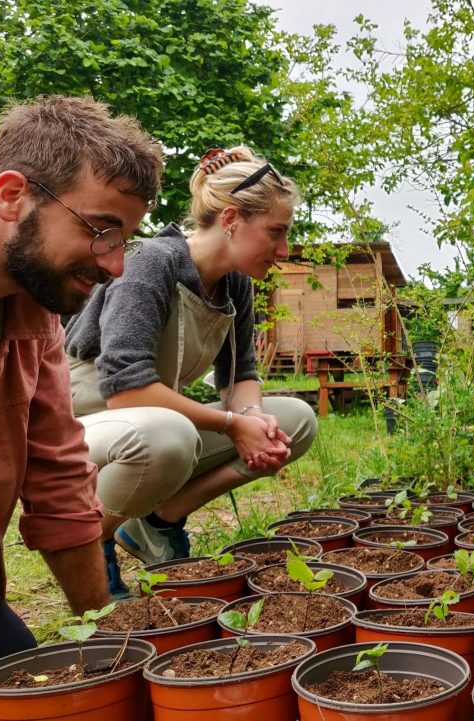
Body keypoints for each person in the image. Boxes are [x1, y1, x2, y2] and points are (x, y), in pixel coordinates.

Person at [0, 95, 163, 719]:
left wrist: (107, 639)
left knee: (3, 674)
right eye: (99, 229)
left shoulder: (32, 316)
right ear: (11, 195)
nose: (115, 265)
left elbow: (59, 476)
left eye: (125, 240)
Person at [64, 146, 318, 596]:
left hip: (150, 417)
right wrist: (230, 423)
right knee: (168, 436)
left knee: (295, 422)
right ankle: (90, 539)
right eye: (275, 232)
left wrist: (253, 416)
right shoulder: (150, 263)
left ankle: (156, 523)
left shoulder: (235, 283)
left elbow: (241, 375)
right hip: (80, 423)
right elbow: (125, 390)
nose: (283, 250)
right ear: (232, 219)